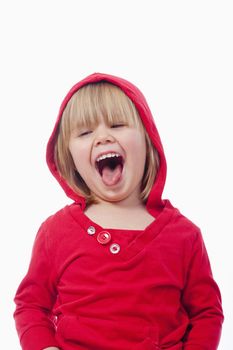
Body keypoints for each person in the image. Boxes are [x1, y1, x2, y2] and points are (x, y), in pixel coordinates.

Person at [14, 73, 224, 350]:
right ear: (69, 157)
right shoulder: (55, 231)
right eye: (85, 132)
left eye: (117, 124)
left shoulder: (185, 235)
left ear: (148, 139)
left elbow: (207, 314)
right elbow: (30, 304)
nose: (103, 137)